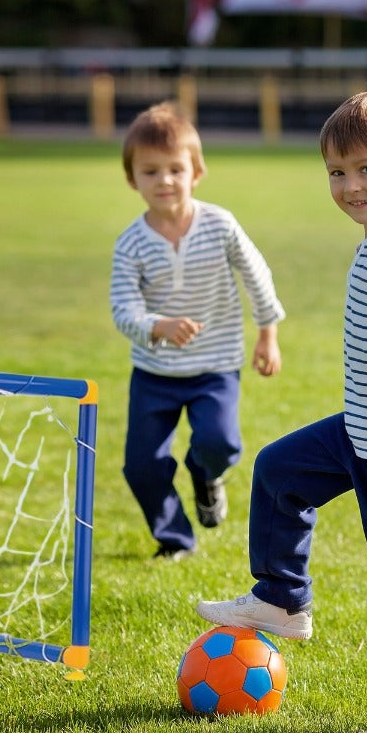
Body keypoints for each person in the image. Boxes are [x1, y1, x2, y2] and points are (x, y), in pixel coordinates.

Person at [196, 90, 367, 733]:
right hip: (362, 427)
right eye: (337, 172)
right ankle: (282, 599)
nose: (350, 187)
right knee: (280, 472)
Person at [110, 101, 285, 561]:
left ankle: (206, 475)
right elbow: (123, 308)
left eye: (175, 169)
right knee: (141, 466)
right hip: (155, 373)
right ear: (132, 179)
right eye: (150, 171)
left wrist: (267, 332)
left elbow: (257, 275)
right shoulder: (130, 243)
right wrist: (157, 325)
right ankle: (174, 539)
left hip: (215, 367)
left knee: (219, 443)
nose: (164, 180)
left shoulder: (220, 225)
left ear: (197, 172)